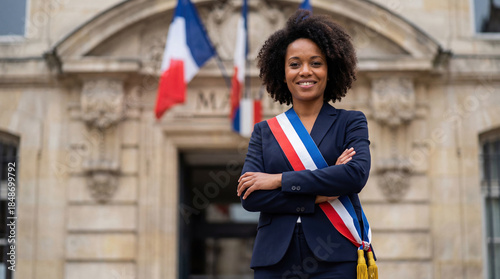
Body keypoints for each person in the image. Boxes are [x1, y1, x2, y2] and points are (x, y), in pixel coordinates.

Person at [236, 9, 374, 278]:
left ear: (330, 69)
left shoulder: (351, 122)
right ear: (283, 72)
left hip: (336, 253)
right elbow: (251, 196)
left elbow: (354, 176)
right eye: (295, 64)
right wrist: (322, 192)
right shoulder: (265, 131)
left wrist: (277, 180)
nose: (305, 71)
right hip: (274, 258)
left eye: (316, 63)